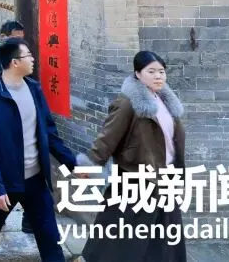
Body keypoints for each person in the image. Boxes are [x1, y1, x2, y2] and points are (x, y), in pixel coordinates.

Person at [0, 38, 77, 262]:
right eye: (28, 55)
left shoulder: (34, 89)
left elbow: (49, 132)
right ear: (14, 62)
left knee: (51, 240)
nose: (33, 59)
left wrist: (73, 163)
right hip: (4, 183)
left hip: (35, 180)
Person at [78, 51, 187, 262]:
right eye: (151, 71)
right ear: (138, 74)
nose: (158, 76)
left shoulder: (165, 101)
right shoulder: (127, 103)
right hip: (136, 178)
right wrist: (90, 164)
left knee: (165, 238)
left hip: (165, 179)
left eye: (161, 71)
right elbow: (108, 137)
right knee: (118, 236)